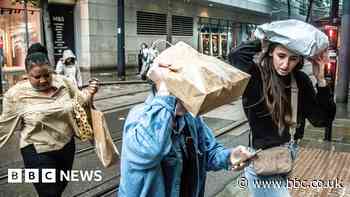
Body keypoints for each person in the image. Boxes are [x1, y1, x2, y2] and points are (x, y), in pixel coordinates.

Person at [228, 23, 336, 196]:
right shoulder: (255, 76)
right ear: (270, 51)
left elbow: (321, 120)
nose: (286, 64)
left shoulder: (300, 80)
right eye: (281, 55)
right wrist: (265, 39)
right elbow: (236, 55)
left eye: (293, 58)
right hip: (263, 161)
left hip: (286, 158)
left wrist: (321, 81)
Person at [118, 63, 255, 197]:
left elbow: (208, 153)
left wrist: (230, 156)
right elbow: (149, 152)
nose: (193, 97)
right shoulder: (139, 116)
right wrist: (166, 91)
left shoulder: (191, 119)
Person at [0, 52, 99, 197]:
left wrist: (91, 91)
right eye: (37, 76)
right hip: (36, 150)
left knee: (59, 188)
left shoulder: (64, 83)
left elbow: (80, 100)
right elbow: (3, 126)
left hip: (65, 146)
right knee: (49, 193)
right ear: (27, 74)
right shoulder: (15, 94)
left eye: (47, 75)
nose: (43, 80)